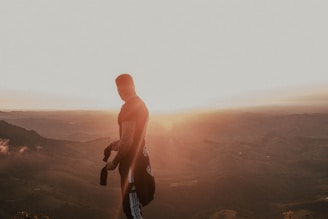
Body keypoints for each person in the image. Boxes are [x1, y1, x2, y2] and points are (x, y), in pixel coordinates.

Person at [106, 73, 155, 219]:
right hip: (141, 159)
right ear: (133, 86)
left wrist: (113, 163)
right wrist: (118, 143)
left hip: (131, 165)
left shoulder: (129, 107)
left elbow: (128, 141)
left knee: (132, 209)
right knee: (133, 208)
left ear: (119, 90)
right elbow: (135, 137)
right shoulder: (141, 104)